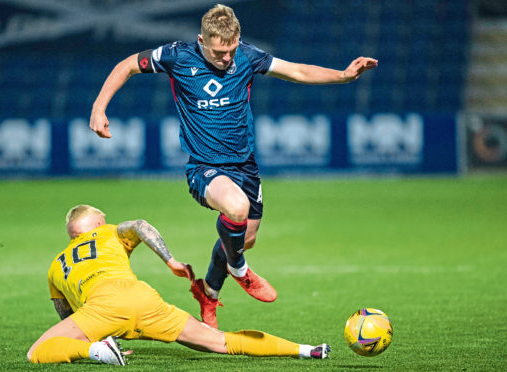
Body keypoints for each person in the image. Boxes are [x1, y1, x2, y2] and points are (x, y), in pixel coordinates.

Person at [89, 4, 378, 328]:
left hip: (246, 167)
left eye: (231, 50)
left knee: (244, 237)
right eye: (218, 52)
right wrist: (99, 108)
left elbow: (297, 70)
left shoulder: (247, 56)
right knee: (237, 210)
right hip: (205, 168)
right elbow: (127, 65)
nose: (226, 59)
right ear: (201, 40)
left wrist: (343, 75)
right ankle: (240, 270)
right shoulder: (177, 56)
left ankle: (208, 292)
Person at [27, 204, 331, 365]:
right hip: (143, 299)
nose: (107, 223)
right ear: (94, 226)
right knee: (221, 341)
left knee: (37, 352)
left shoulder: (56, 266)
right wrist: (170, 260)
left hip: (100, 310)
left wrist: (89, 342)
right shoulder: (107, 233)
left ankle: (98, 352)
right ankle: (306, 350)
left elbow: (65, 316)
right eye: (103, 219)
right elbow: (139, 226)